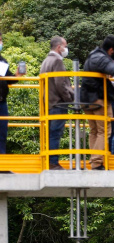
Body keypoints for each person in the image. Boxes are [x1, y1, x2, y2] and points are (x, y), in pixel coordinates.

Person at [83, 36, 114, 169]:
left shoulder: (94, 55)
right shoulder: (101, 58)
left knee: (94, 131)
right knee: (104, 131)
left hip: (87, 98)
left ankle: (94, 161)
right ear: (111, 50)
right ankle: (97, 162)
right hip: (98, 98)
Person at [39, 36, 73, 169]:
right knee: (55, 134)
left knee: (50, 133)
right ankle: (53, 163)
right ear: (59, 47)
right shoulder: (57, 60)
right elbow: (60, 83)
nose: (66, 49)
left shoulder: (46, 60)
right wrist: (69, 99)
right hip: (58, 103)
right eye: (65, 46)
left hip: (48, 103)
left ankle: (49, 161)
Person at [0, 32, 25, 156]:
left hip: (1, 102)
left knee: (2, 133)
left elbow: (9, 79)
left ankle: (2, 161)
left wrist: (17, 75)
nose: (1, 43)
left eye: (1, 40)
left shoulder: (2, 61)